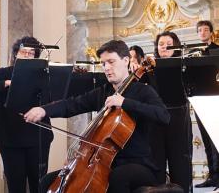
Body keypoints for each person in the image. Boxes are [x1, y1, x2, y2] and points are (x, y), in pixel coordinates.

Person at [25, 39, 170, 193]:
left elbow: (164, 116)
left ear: (126, 60)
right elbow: (73, 104)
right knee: (47, 181)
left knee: (118, 177)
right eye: (103, 63)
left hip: (138, 163)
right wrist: (44, 110)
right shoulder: (103, 92)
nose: (106, 68)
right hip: (102, 162)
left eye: (111, 62)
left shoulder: (143, 91)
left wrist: (125, 102)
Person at [0, 37, 53, 193]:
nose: (27, 55)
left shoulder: (43, 75)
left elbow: (55, 98)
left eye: (31, 53)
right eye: (23, 52)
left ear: (36, 56)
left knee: (38, 185)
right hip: (10, 138)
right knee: (15, 185)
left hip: (38, 137)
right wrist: (6, 83)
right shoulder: (3, 72)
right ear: (15, 54)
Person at [150, 31, 192, 190]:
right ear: (156, 47)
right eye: (161, 44)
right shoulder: (150, 68)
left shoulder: (183, 66)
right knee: (157, 161)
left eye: (169, 43)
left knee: (180, 161)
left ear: (176, 46)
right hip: (156, 119)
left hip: (178, 116)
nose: (165, 47)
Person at [193, 19, 219, 188]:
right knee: (205, 138)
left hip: (217, 98)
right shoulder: (193, 53)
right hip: (199, 99)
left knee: (217, 137)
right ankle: (211, 175)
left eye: (206, 30)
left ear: (211, 32)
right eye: (200, 30)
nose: (203, 33)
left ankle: (218, 174)